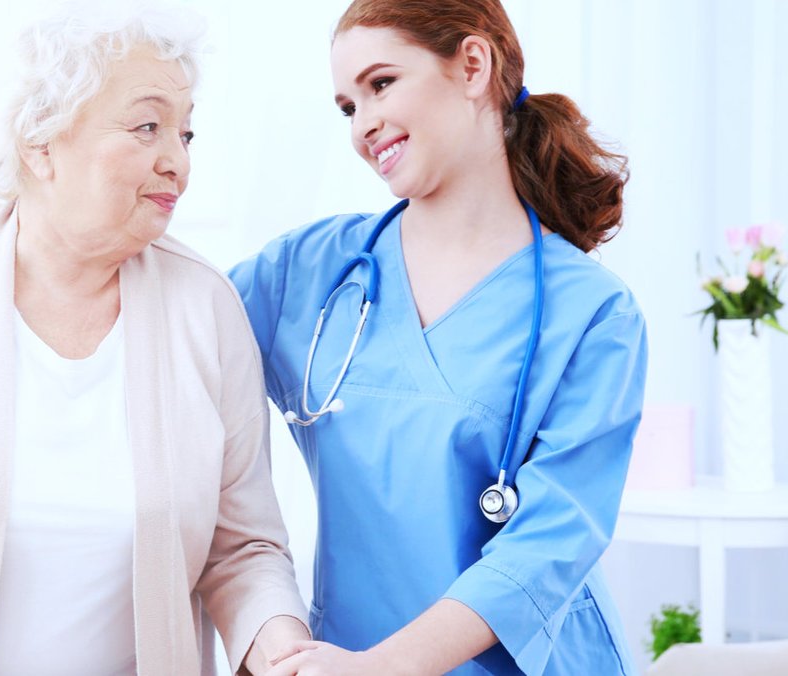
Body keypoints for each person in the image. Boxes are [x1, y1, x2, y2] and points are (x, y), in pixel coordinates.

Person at [0, 3, 309, 675]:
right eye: (147, 127)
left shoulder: (207, 307)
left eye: (186, 135)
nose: (178, 164)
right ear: (40, 142)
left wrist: (288, 655)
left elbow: (244, 550)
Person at [233, 1, 646, 674]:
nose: (363, 124)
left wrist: (381, 669)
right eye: (347, 107)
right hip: (347, 650)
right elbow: (175, 337)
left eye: (381, 84)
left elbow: (546, 546)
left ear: (473, 65)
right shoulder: (307, 272)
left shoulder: (593, 314)